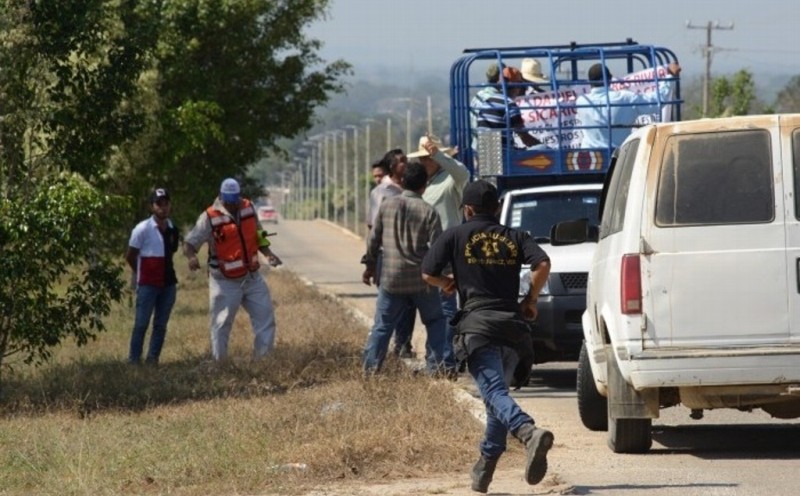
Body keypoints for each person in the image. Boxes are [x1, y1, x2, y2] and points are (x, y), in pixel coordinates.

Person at [421, 180, 554, 493]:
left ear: (467, 209)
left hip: (478, 326)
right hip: (513, 327)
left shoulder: (455, 235)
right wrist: (530, 300)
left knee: (493, 392)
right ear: (496, 208)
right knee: (497, 397)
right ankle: (484, 468)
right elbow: (543, 263)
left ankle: (526, 430)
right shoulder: (515, 237)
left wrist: (445, 283)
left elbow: (427, 272)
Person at [184, 178, 283, 361]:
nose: (233, 205)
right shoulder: (209, 216)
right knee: (221, 324)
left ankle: (263, 363)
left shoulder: (248, 207)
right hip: (224, 281)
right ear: (221, 197)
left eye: (235, 200)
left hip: (252, 277)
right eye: (229, 201)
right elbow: (190, 243)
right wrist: (191, 257)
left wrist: (268, 254)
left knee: (265, 320)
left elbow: (258, 235)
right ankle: (220, 364)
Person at [362, 162, 446, 375]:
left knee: (382, 326)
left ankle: (370, 371)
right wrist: (443, 278)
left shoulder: (387, 206)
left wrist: (370, 265)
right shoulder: (429, 211)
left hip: (391, 279)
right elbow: (438, 250)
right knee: (435, 321)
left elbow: (373, 240)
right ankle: (436, 369)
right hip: (422, 281)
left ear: (403, 182)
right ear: (424, 186)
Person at [408, 134, 470, 375]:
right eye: (422, 159)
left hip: (447, 255)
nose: (424, 163)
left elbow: (463, 173)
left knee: (445, 310)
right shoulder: (425, 185)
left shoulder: (450, 181)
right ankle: (436, 361)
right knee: (434, 312)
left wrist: (439, 155)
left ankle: (445, 362)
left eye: (427, 158)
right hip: (428, 254)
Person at [365, 149, 417, 358]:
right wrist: (370, 261)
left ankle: (403, 344)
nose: (407, 163)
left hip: (410, 254)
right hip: (387, 255)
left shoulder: (410, 188)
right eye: (403, 161)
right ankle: (376, 355)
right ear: (393, 167)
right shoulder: (382, 192)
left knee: (410, 302)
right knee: (389, 305)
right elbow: (374, 228)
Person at [126, 187, 181, 365]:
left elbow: (171, 253)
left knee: (160, 325)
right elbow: (130, 255)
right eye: (159, 204)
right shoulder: (142, 229)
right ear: (152, 207)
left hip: (168, 284)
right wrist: (140, 272)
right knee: (141, 324)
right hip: (148, 284)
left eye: (166, 204)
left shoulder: (173, 229)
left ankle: (153, 359)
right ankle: (134, 360)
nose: (163, 208)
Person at [576, 62, 681, 150]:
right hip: (620, 157)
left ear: (589, 82)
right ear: (610, 79)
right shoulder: (625, 98)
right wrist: (670, 76)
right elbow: (656, 101)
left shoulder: (581, 102)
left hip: (590, 159)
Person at [471, 65, 541, 149]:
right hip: (503, 156)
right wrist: (544, 147)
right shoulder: (509, 105)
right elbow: (525, 137)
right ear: (517, 87)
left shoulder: (488, 101)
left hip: (485, 153)